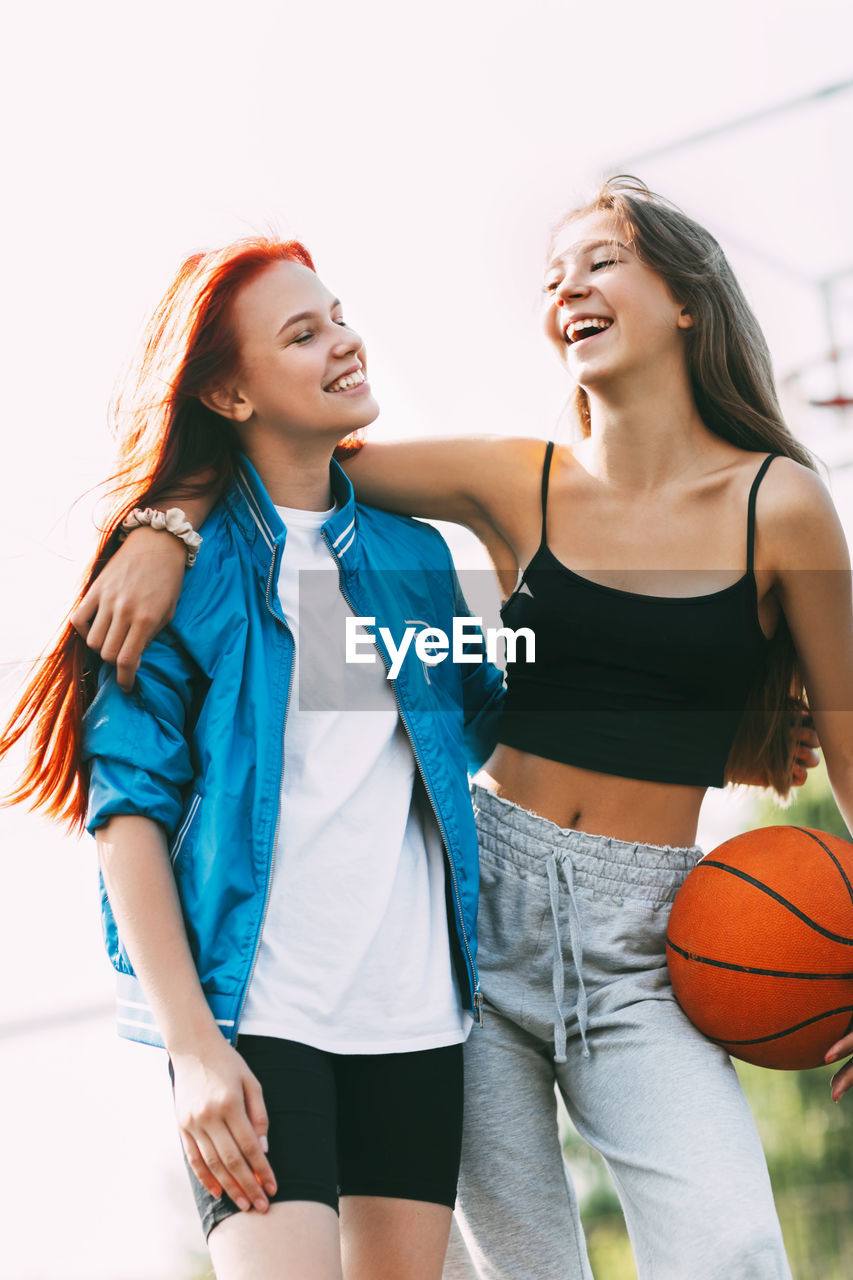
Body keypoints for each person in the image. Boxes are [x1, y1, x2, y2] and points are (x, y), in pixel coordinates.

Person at [63, 179, 852, 1279]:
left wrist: (716, 734)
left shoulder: (771, 505)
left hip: (636, 942)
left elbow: (469, 699)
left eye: (599, 260)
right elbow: (291, 463)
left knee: (733, 1249)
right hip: (473, 925)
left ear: (686, 298)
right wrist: (160, 522)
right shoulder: (513, 482)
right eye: (552, 273)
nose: (566, 286)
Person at [0, 238, 506, 1280]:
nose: (345, 341)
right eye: (302, 332)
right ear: (230, 392)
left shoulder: (415, 557)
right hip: (258, 1019)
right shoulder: (171, 572)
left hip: (414, 1019)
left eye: (339, 314)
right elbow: (125, 816)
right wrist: (192, 1046)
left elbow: (486, 727)